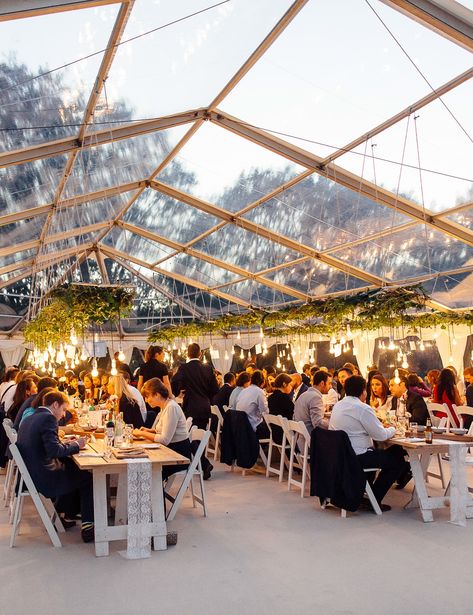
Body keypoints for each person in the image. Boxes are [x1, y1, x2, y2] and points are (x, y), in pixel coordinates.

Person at [16, 390, 94, 542]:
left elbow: (48, 447)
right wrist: (76, 445)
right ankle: (88, 528)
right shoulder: (48, 418)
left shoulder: (31, 417)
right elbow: (54, 451)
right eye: (64, 409)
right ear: (55, 404)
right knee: (87, 477)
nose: (64, 414)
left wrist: (67, 444)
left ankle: (64, 512)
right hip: (44, 478)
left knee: (73, 468)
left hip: (33, 473)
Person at [329, 375, 408, 510]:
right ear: (363, 391)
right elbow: (380, 435)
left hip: (342, 455)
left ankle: (368, 493)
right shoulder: (362, 408)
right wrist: (393, 429)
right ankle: (374, 499)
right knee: (398, 461)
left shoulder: (338, 405)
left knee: (396, 451)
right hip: (358, 457)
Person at [171, 343, 219, 479]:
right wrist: (206, 396)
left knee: (190, 437)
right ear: (200, 354)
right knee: (200, 436)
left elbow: (174, 380)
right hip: (204, 406)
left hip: (191, 406)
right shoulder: (208, 368)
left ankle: (203, 464)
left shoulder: (184, 368)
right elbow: (215, 389)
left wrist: (179, 391)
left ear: (188, 353)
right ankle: (203, 465)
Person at [133, 378, 191, 480]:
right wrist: (149, 431)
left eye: (147, 396)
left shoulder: (171, 408)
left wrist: (141, 434)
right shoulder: (164, 406)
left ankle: (156, 495)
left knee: (145, 469)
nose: (146, 400)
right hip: (170, 451)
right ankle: (152, 495)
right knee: (140, 466)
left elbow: (164, 440)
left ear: (157, 394)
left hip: (178, 456)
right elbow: (164, 430)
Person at [294, 370, 331, 435]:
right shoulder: (315, 397)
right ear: (322, 383)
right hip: (311, 440)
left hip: (300, 438)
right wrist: (333, 424)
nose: (331, 387)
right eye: (329, 383)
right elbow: (318, 423)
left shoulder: (303, 395)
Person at [235, 370, 270, 440]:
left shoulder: (243, 391)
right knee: (273, 429)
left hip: (240, 427)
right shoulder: (259, 392)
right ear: (262, 382)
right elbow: (265, 412)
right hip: (253, 427)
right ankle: (262, 449)